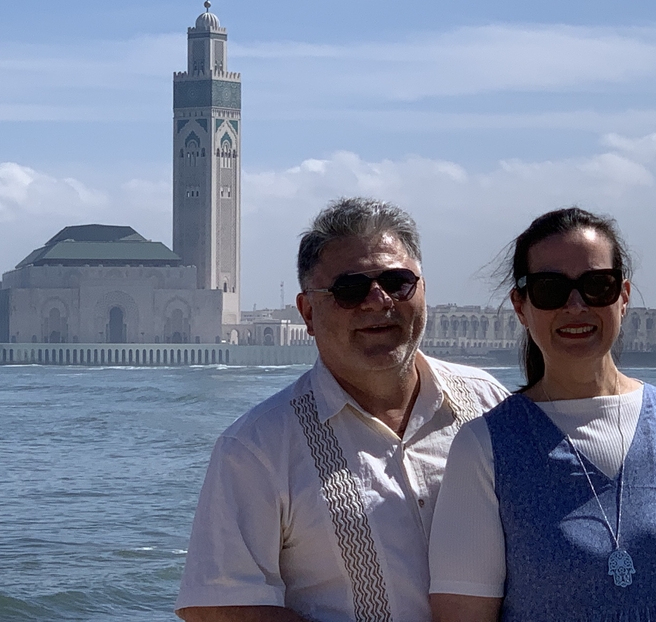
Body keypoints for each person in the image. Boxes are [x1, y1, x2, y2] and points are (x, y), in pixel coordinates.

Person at [175, 197, 508, 622]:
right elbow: (218, 606)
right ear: (308, 312)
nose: (378, 300)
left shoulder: (489, 405)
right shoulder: (257, 448)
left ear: (423, 290)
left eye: (397, 282)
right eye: (350, 290)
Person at [428, 207, 656, 622]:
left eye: (597, 285)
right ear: (521, 306)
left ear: (624, 296)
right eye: (550, 289)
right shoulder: (484, 447)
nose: (576, 305)